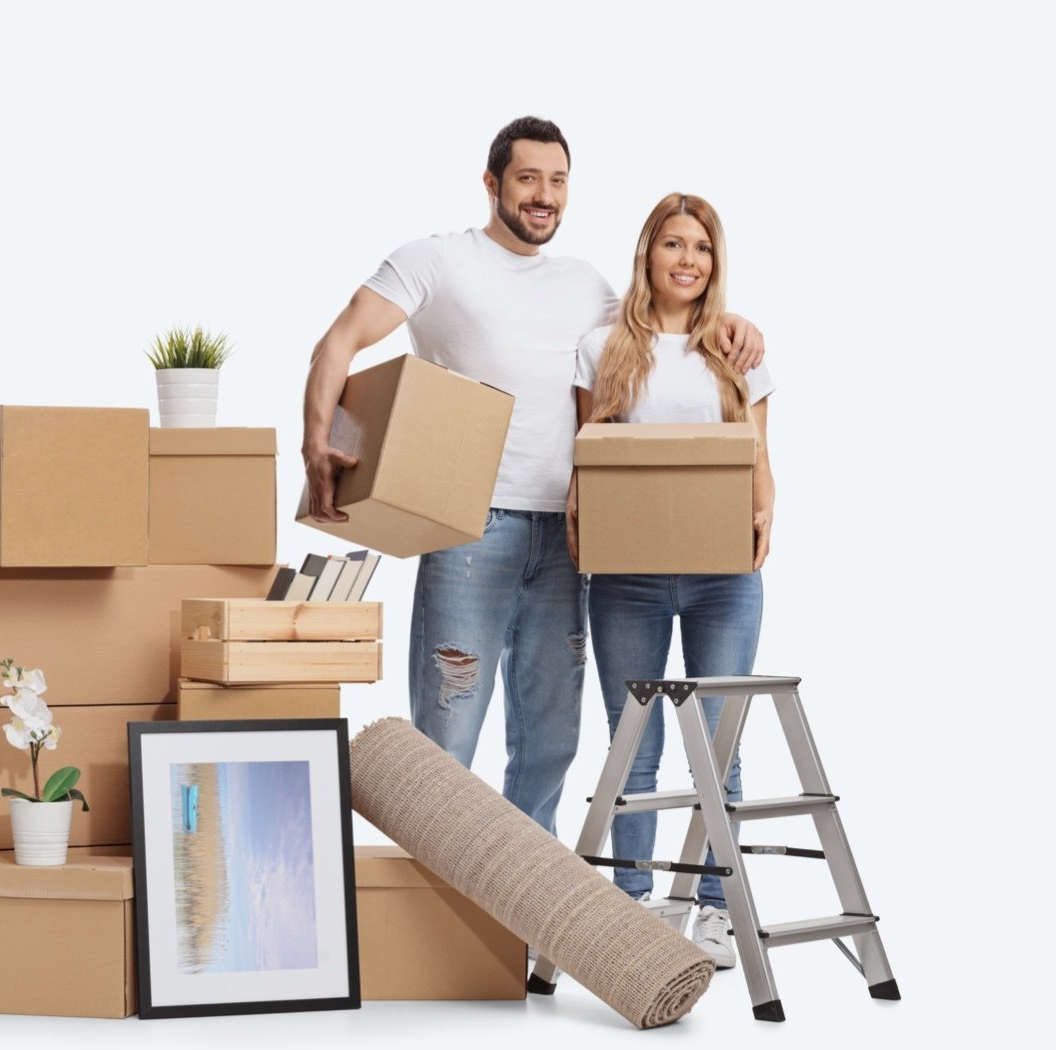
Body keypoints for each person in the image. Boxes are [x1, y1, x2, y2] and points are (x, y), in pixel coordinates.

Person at [302, 118, 764, 833]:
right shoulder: (434, 261)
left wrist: (734, 323)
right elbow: (338, 341)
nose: (544, 196)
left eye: (557, 181)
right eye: (527, 179)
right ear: (492, 184)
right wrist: (316, 440)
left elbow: (664, 324)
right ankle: (434, 916)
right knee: (447, 738)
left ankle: (519, 925)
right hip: (469, 531)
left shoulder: (586, 285)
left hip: (570, 541)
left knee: (549, 744)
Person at [568, 192, 775, 968]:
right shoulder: (602, 349)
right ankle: (629, 905)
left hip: (723, 576)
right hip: (628, 577)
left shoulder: (737, 349)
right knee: (634, 744)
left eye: (702, 248)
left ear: (714, 262)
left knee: (720, 748)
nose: (688, 260)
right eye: (673, 244)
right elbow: (585, 458)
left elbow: (760, 458)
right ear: (647, 255)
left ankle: (718, 909)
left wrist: (764, 514)